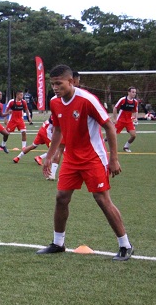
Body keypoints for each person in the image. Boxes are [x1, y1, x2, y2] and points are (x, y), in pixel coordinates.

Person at [37, 65, 133, 261]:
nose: (55, 88)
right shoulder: (55, 102)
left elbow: (109, 127)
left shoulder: (87, 100)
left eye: (59, 83)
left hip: (93, 157)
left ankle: (125, 245)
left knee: (102, 199)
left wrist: (114, 158)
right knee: (61, 197)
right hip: (72, 158)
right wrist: (50, 155)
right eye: (52, 84)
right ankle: (58, 243)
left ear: (71, 81)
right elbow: (57, 130)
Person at [113, 87, 139, 152]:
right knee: (112, 135)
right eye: (133, 92)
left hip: (129, 121)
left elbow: (136, 111)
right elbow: (115, 108)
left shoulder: (135, 102)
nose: (134, 93)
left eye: (135, 92)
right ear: (129, 92)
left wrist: (136, 118)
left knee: (133, 135)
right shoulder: (123, 99)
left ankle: (126, 147)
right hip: (120, 120)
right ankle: (103, 141)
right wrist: (115, 119)